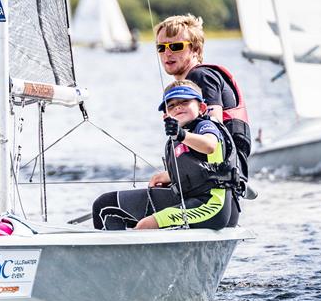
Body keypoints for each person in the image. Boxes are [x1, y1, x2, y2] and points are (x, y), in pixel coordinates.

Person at [92, 80, 243, 231]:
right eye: (171, 105)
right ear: (166, 116)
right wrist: (168, 176)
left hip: (212, 206)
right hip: (188, 200)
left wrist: (181, 134)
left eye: (185, 102)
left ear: (201, 108)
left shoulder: (205, 126)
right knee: (105, 206)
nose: (178, 106)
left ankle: (133, 251)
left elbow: (210, 145)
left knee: (146, 225)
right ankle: (112, 252)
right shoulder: (176, 139)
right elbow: (198, 170)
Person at [154, 14, 251, 178]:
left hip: (220, 174)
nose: (167, 53)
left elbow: (216, 135)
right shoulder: (190, 84)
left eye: (176, 46)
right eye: (161, 48)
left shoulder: (201, 77)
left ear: (195, 49)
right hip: (212, 173)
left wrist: (171, 176)